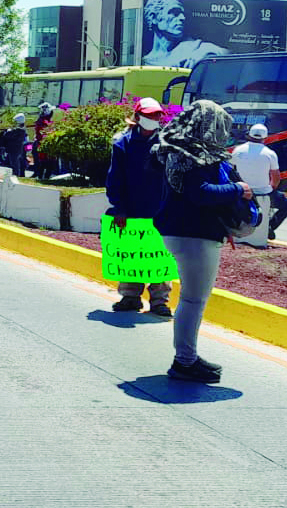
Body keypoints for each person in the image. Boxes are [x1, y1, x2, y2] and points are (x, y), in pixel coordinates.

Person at [151, 100, 252, 383]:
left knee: (191, 298)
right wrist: (237, 189)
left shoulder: (175, 148)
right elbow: (200, 193)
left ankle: (187, 357)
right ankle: (185, 361)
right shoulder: (195, 154)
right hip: (194, 234)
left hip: (179, 231)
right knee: (193, 299)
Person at [106, 97, 172, 316]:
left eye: (157, 115)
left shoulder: (166, 144)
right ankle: (130, 297)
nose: (154, 119)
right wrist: (120, 208)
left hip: (161, 210)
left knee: (158, 256)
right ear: (137, 117)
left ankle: (159, 300)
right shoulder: (122, 144)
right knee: (131, 254)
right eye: (149, 115)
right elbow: (115, 179)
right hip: (131, 209)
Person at [141, 0, 228, 68]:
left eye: (183, 14)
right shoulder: (145, 62)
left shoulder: (196, 49)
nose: (182, 18)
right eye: (175, 12)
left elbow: (230, 55)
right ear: (154, 18)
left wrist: (207, 56)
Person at [230, 123, 279, 249]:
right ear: (265, 137)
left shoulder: (238, 150)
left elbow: (231, 171)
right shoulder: (270, 153)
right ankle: (270, 227)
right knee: (284, 203)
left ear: (249, 135)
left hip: (241, 190)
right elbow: (275, 177)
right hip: (263, 191)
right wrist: (271, 188)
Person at [0, 113, 29, 178]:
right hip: (17, 150)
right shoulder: (20, 130)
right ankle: (18, 175)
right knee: (16, 164)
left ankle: (16, 176)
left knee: (15, 164)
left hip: (15, 150)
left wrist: (8, 131)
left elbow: (7, 135)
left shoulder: (20, 131)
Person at [33, 103, 56, 180]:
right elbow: (42, 133)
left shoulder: (42, 121)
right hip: (44, 145)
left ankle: (43, 176)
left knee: (44, 162)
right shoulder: (43, 122)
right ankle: (44, 177)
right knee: (46, 162)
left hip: (43, 144)